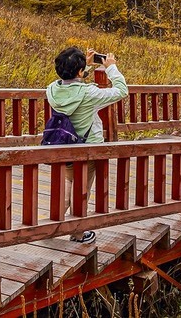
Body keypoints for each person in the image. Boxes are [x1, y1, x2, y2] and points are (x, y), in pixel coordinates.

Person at [46, 47, 129, 244]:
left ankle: (51, 227)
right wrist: (112, 69)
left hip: (63, 144)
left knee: (67, 183)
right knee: (82, 188)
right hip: (86, 148)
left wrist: (85, 69)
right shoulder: (89, 93)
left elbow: (71, 86)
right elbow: (121, 91)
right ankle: (77, 233)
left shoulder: (51, 90)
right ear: (80, 72)